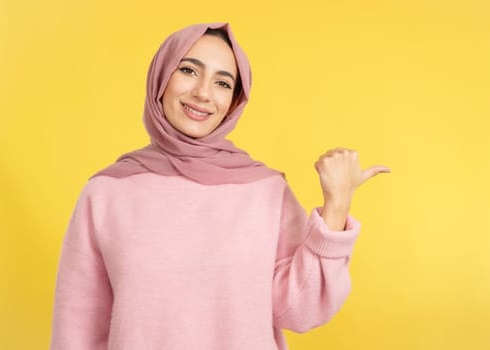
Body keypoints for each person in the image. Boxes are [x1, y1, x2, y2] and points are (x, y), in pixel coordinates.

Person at [50, 22, 389, 349]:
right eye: (188, 70)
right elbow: (77, 329)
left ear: (234, 101)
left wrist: (336, 207)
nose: (202, 93)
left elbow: (302, 311)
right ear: (160, 77)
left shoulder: (265, 191)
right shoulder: (107, 192)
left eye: (223, 83)